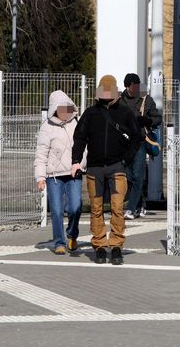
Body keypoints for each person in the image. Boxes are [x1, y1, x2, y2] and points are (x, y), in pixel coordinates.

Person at [71, 75, 142, 265]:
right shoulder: (90, 113)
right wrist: (76, 161)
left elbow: (136, 138)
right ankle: (100, 246)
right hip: (94, 169)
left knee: (118, 207)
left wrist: (125, 159)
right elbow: (79, 138)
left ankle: (116, 245)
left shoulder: (125, 112)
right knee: (96, 209)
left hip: (117, 167)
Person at [34, 90, 86, 255]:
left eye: (67, 108)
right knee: (56, 210)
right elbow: (41, 153)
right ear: (54, 109)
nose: (65, 112)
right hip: (53, 175)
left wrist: (80, 165)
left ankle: (72, 234)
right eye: (61, 109)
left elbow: (85, 147)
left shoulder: (77, 123)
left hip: (74, 172)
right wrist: (40, 177)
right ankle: (59, 242)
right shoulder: (46, 127)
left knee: (76, 207)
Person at [119, 73, 162, 219]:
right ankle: (140, 204)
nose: (136, 88)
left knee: (138, 175)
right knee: (128, 176)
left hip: (140, 142)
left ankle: (130, 209)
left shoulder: (146, 100)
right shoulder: (119, 101)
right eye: (134, 85)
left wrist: (147, 121)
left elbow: (157, 119)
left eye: (138, 85)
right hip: (123, 143)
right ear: (127, 86)